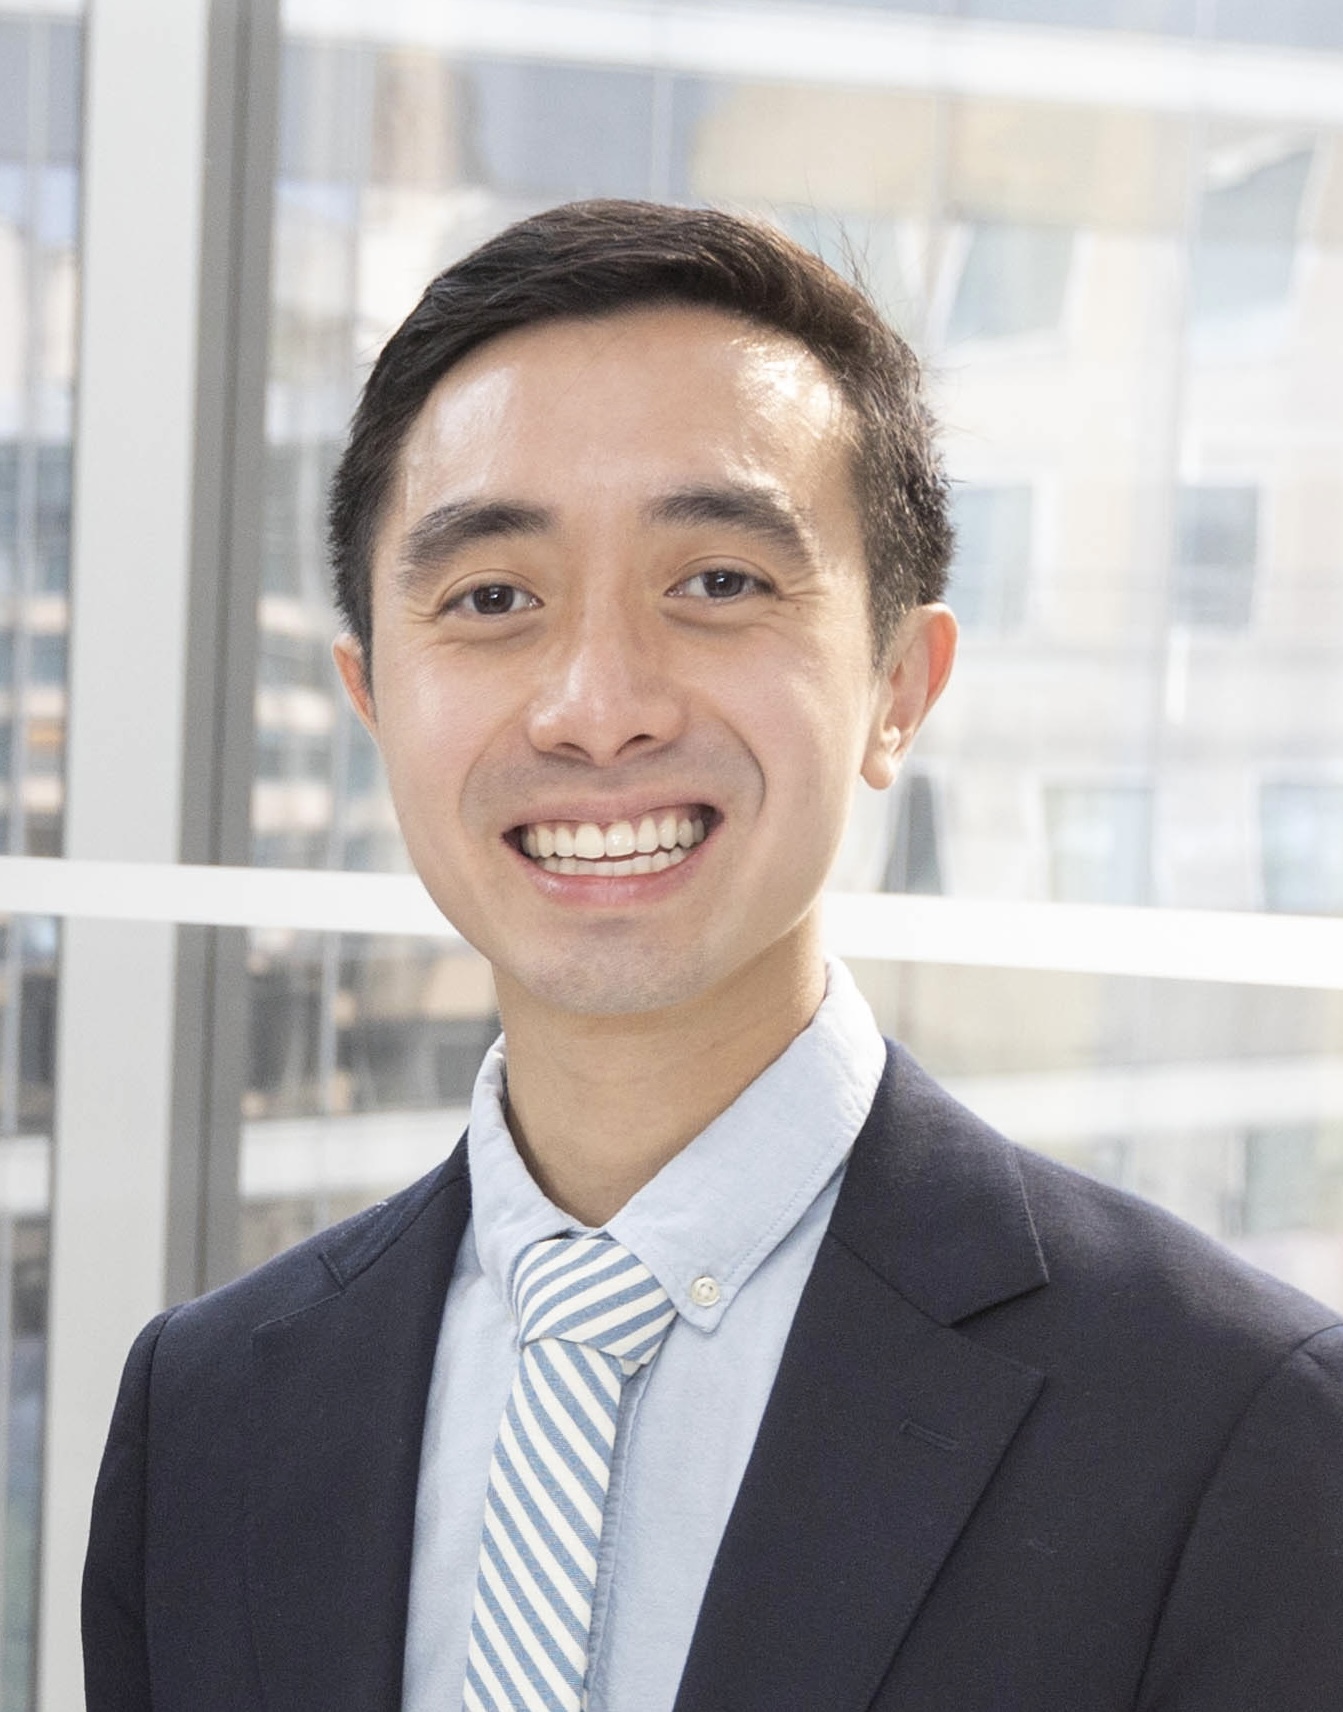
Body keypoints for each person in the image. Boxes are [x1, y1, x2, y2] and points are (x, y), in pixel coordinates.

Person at [83, 201, 1343, 1712]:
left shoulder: (1230, 1424)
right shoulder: (210, 1415)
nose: (597, 704)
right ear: (372, 698)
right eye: (492, 600)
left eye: (720, 583)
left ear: (898, 686)